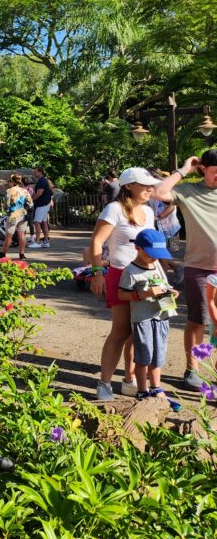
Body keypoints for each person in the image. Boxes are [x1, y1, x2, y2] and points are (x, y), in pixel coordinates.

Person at [90, 168, 159, 401]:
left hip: (146, 275)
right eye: (145, 184)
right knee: (120, 331)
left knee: (138, 330)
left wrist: (161, 274)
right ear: (129, 186)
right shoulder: (114, 209)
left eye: (152, 185)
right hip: (121, 274)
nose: (150, 188)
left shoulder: (149, 212)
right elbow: (97, 241)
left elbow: (151, 246)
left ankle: (129, 380)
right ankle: (105, 383)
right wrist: (98, 272)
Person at [153, 150, 217, 390]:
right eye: (215, 173)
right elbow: (159, 192)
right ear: (202, 169)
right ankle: (193, 369)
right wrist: (183, 169)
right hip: (200, 268)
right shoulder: (188, 191)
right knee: (199, 319)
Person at [117, 229, 181, 409]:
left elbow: (164, 284)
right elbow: (122, 294)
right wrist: (144, 294)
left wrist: (171, 291)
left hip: (162, 316)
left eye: (158, 255)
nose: (155, 258)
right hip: (143, 319)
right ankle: (142, 390)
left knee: (158, 356)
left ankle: (156, 387)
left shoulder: (157, 265)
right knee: (144, 355)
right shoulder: (130, 270)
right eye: (152, 254)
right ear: (138, 248)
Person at [0, 173, 30, 261]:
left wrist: (7, 210)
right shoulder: (25, 191)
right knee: (21, 234)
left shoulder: (9, 191)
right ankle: (22, 255)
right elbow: (30, 203)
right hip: (23, 214)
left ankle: (2, 254)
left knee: (9, 235)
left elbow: (6, 204)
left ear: (12, 182)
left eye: (9, 181)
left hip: (13, 215)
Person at [28, 167, 53, 248]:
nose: (34, 174)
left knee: (36, 222)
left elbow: (39, 193)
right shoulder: (43, 180)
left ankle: (37, 242)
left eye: (35, 172)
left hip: (42, 204)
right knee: (44, 222)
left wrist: (31, 199)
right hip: (45, 204)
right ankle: (45, 242)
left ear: (40, 172)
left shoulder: (41, 181)